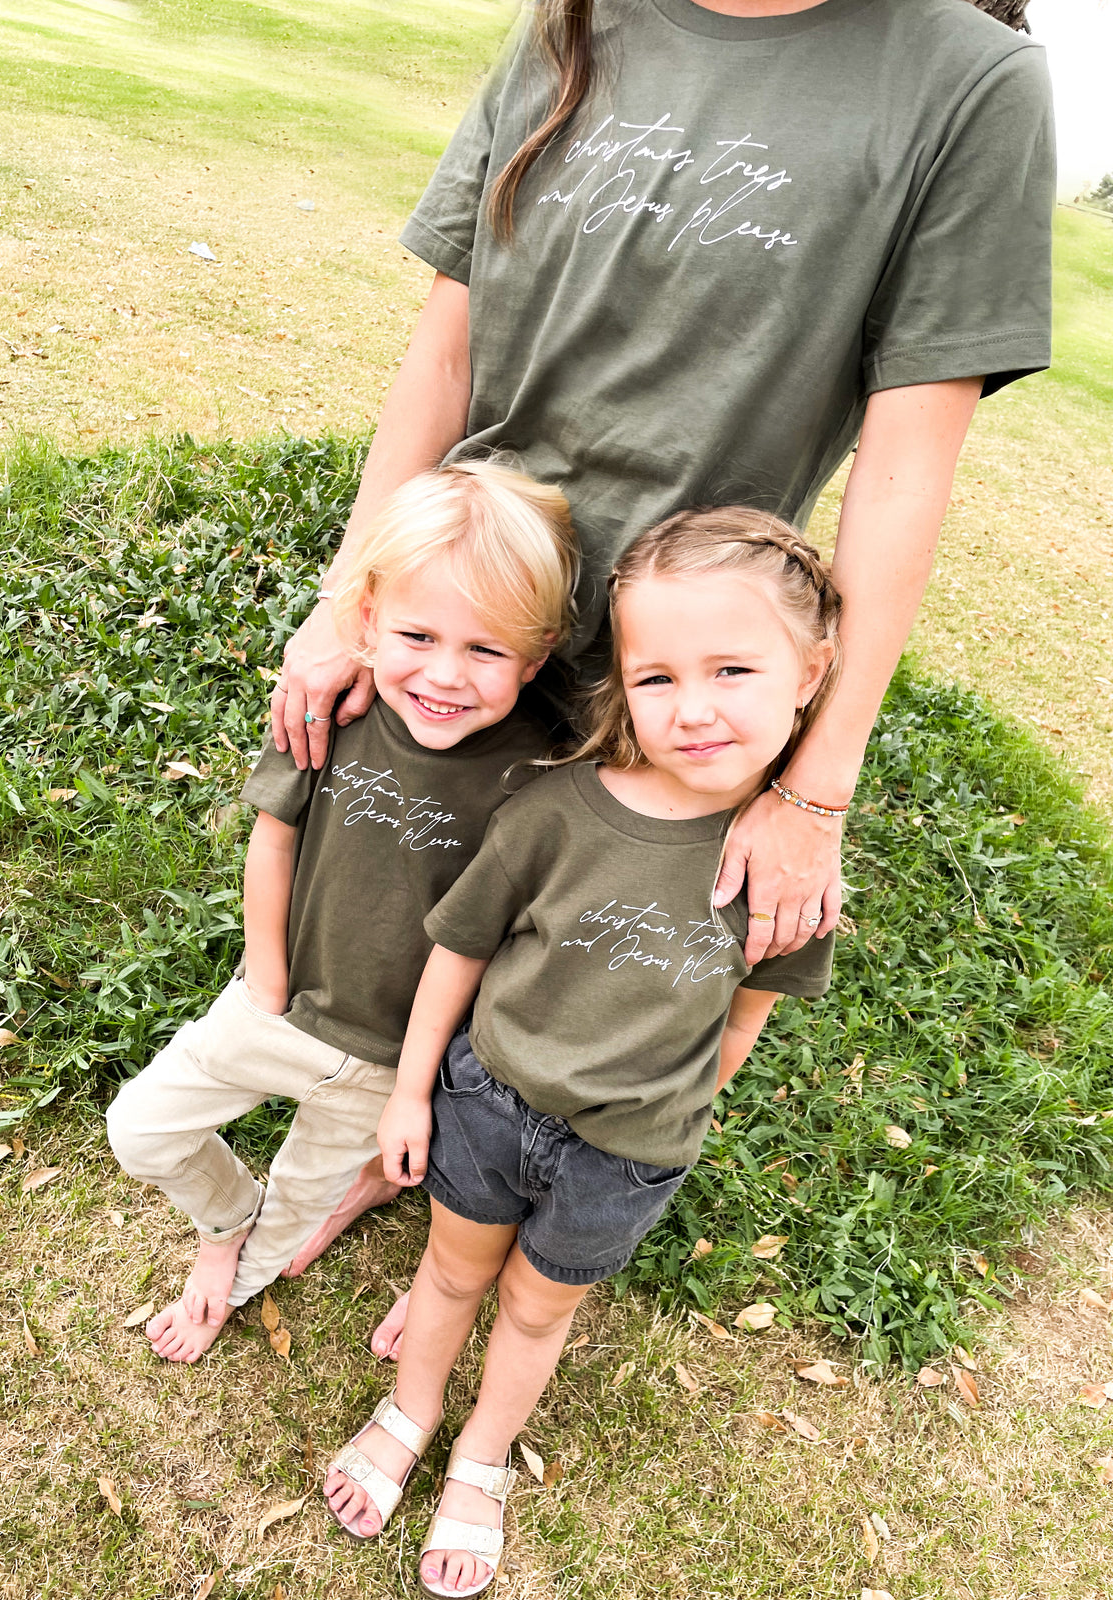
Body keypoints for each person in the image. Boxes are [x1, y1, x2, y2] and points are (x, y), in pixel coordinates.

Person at [273, 0, 1055, 1355]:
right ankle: (382, 1146)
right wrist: (353, 600)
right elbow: (447, 347)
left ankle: (478, 1220)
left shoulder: (969, 82)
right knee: (414, 909)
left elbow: (907, 468)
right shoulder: (576, 18)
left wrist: (816, 789)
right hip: (476, 611)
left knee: (572, 976)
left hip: (667, 666)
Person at [322, 509, 841, 1594]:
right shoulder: (557, 812)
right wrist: (411, 1094)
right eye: (656, 678)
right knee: (454, 1272)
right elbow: (456, 953)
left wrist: (672, 1118)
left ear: (812, 670)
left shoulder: (788, 873)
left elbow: (743, 1016)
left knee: (537, 1305)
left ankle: (480, 1457)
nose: (692, 709)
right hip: (489, 1102)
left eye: (733, 668)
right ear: (621, 684)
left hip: (624, 1156)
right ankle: (412, 1409)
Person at [105, 461, 578, 1362]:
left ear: (540, 652)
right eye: (417, 634)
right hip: (277, 1005)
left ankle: (234, 1277)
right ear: (366, 618)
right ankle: (223, 1220)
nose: (445, 674)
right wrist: (266, 971)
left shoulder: (543, 773)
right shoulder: (335, 711)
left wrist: (419, 1076)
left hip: (391, 1062)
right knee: (141, 1127)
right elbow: (274, 835)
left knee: (299, 1206)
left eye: (485, 651)